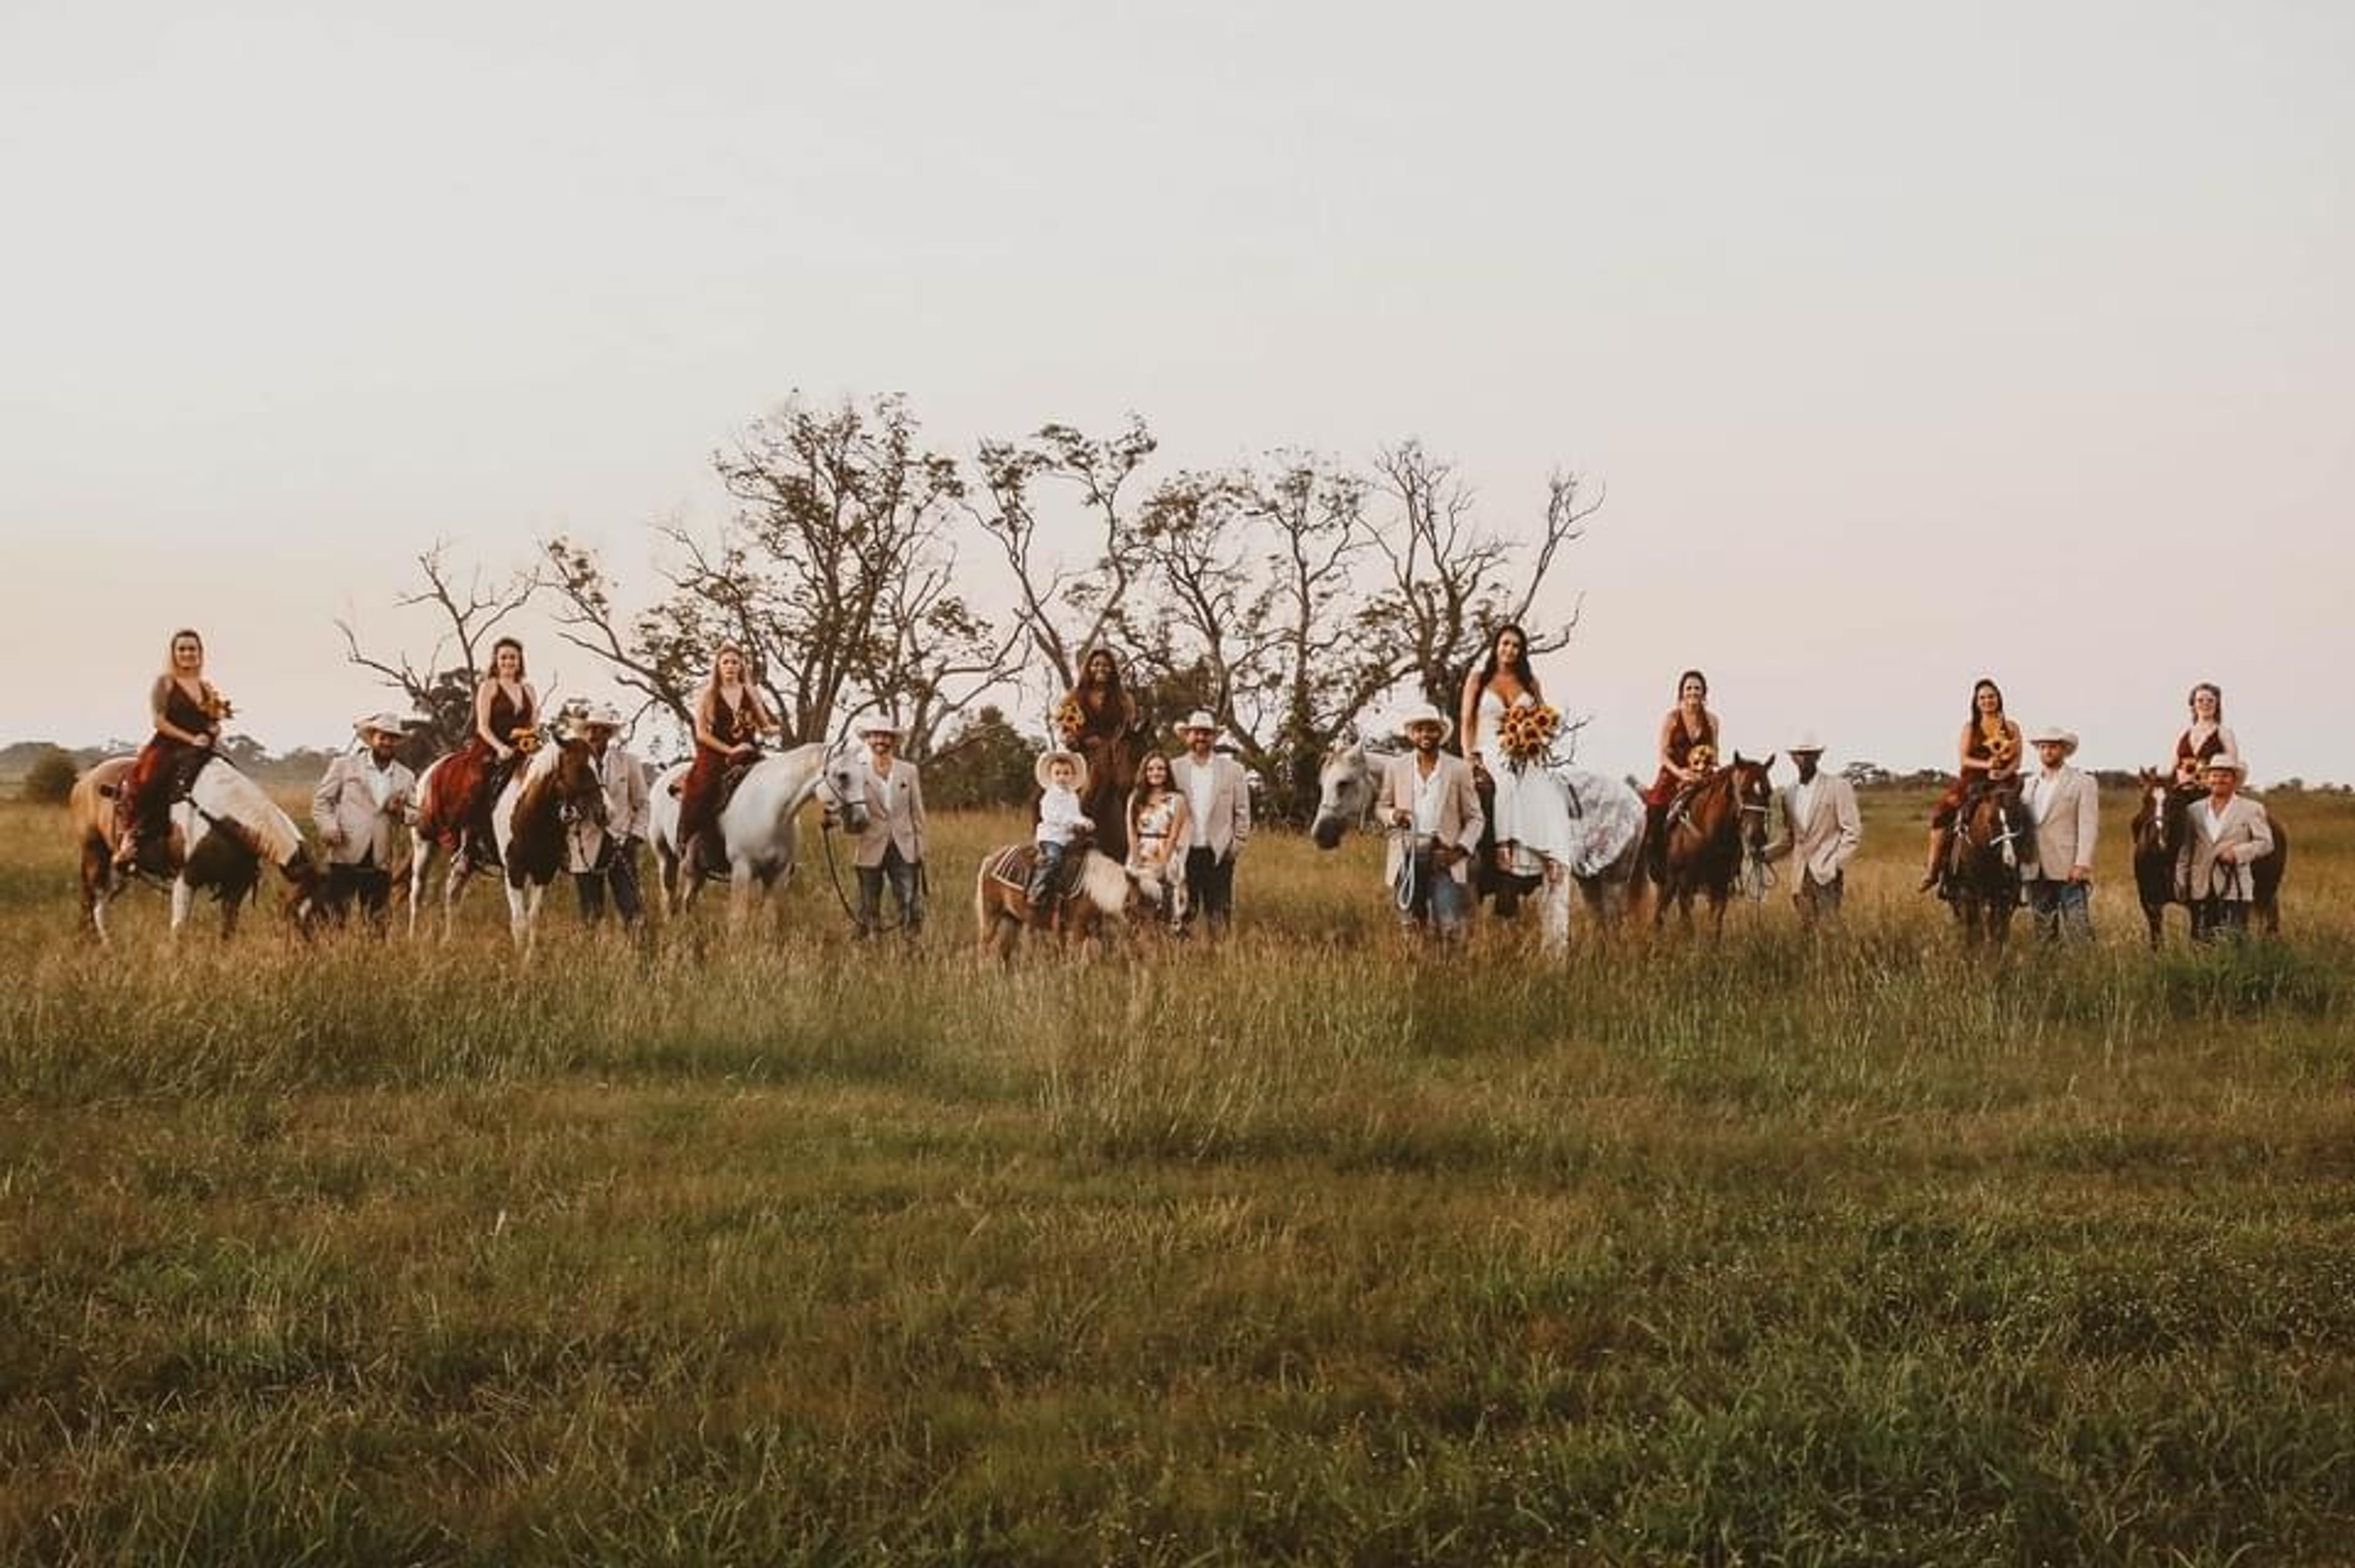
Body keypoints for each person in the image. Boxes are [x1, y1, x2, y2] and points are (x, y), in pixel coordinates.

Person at [113, 628, 230, 871]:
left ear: (200, 653)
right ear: (174, 653)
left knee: (229, 776)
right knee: (147, 782)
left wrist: (214, 728)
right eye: (182, 649)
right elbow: (159, 721)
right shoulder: (165, 683)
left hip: (200, 747)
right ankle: (130, 839)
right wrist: (190, 739)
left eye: (192, 649)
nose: (188, 653)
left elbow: (209, 721)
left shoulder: (207, 687)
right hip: (168, 745)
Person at [1460, 624, 1572, 879]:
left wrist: (1536, 735)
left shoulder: (1530, 682)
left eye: (1516, 646)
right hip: (1488, 746)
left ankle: (1547, 852)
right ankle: (1503, 845)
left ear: (1521, 652)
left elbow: (1544, 716)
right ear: (1496, 647)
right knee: (1507, 780)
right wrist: (1469, 756)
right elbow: (1467, 719)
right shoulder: (1479, 679)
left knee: (1543, 786)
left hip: (1522, 749)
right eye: (1505, 644)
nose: (1510, 650)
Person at [419, 636, 538, 871]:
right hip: (491, 748)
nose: (508, 662)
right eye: (504, 657)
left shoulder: (529, 689)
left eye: (513, 657)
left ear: (520, 660)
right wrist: (500, 747)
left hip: (522, 749)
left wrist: (530, 742)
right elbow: (482, 726)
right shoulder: (489, 686)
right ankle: (467, 846)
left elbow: (534, 723)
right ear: (496, 660)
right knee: (476, 785)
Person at [1381, 705, 1484, 943]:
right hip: (1407, 856)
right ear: (1412, 735)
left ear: (1440, 734)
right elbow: (1381, 806)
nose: (1425, 735)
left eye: (1431, 730)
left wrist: (1459, 851)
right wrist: (1392, 815)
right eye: (1419, 730)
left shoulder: (1459, 769)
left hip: (1443, 857)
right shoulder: (1396, 767)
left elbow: (1476, 818)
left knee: (1450, 927)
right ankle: (1416, 975)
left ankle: (1450, 975)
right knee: (1410, 926)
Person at [676, 644, 778, 874]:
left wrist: (773, 729)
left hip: (747, 751)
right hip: (715, 751)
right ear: (718, 666)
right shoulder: (708, 694)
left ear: (742, 666)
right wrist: (729, 751)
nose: (731, 666)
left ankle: (777, 852)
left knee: (774, 787)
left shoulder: (750, 692)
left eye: (735, 662)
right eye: (726, 662)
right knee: (702, 789)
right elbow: (702, 733)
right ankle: (688, 843)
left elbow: (763, 725)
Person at [310, 712, 416, 930]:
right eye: (383, 737)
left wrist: (400, 812)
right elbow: (321, 802)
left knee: (377, 925)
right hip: (344, 854)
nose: (388, 742)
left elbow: (418, 815)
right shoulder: (345, 765)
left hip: (380, 860)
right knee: (334, 921)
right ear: (372, 738)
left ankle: (373, 960)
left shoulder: (406, 776)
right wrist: (329, 827)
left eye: (393, 738)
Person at [1922, 677, 2023, 892]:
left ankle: (2029, 870)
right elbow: (1964, 759)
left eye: (1991, 697)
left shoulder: (2012, 726)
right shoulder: (1971, 727)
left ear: (1999, 699)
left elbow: (2017, 760)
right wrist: (1987, 764)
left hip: (2004, 780)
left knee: (2026, 814)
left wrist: (2002, 772)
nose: (1988, 701)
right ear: (1977, 702)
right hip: (1974, 779)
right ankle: (1933, 869)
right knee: (1941, 813)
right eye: (1983, 698)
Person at [1761, 732, 1862, 930]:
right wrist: (1764, 855)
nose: (1804, 758)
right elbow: (1790, 838)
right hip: (1800, 876)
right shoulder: (1789, 794)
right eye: (1799, 754)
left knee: (1830, 928)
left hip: (1827, 874)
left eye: (1809, 754)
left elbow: (1853, 832)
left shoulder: (1838, 787)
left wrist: (1835, 863)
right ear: (1792, 758)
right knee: (1807, 930)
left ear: (1818, 756)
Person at [567, 703, 650, 931]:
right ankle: (596, 961)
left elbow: (642, 803)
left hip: (621, 843)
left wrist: (636, 836)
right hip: (585, 844)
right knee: (591, 914)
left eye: (600, 730)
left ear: (609, 734)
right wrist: (573, 813)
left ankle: (641, 959)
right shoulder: (574, 764)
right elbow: (562, 805)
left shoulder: (628, 762)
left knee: (633, 910)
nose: (594, 735)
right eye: (589, 729)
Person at [1168, 710, 1250, 938]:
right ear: (1187, 736)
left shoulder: (1234, 771)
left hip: (1219, 852)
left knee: (1219, 914)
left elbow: (1242, 812)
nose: (1201, 738)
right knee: (1183, 912)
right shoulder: (1174, 769)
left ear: (1214, 737)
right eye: (1196, 733)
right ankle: (1182, 963)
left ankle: (1220, 962)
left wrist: (1236, 846)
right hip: (1185, 853)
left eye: (1206, 733)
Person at [1058, 646, 1144, 859]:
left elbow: (1127, 729)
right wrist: (1077, 740)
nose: (1101, 668)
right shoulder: (1075, 697)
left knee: (1130, 783)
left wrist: (1113, 744)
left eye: (1106, 665)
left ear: (1112, 669)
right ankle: (1063, 838)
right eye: (1096, 664)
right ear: (1089, 667)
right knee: (1054, 793)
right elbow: (1066, 731)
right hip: (1083, 754)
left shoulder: (1124, 699)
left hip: (1114, 754)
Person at [2178, 754, 2274, 943]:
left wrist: (2237, 853)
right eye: (2214, 775)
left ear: (2235, 780)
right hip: (2201, 887)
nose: (2218, 780)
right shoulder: (2193, 810)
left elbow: (2266, 843)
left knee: (2234, 942)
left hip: (2235, 888)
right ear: (2207, 779)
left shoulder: (2252, 809)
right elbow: (2186, 851)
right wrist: (2181, 880)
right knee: (2200, 943)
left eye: (2225, 776)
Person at [2018, 725, 2099, 943]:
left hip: (2068, 866)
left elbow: (2088, 825)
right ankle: (2049, 973)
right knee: (2043, 933)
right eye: (2043, 747)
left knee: (2078, 930)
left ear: (2064, 750)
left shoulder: (2083, 782)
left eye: (2053, 747)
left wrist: (2082, 863)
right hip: (2035, 867)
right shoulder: (2028, 784)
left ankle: (2086, 973)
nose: (2048, 751)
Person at [851, 716, 928, 938]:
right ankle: (869, 944)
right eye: (875, 735)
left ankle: (912, 946)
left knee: (909, 899)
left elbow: (918, 811)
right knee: (868, 901)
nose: (880, 740)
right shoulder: (859, 771)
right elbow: (851, 808)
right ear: (868, 740)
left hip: (904, 845)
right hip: (870, 844)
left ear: (893, 741)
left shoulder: (909, 771)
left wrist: (920, 846)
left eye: (885, 736)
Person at [1642, 670, 1721, 884]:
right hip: (1673, 773)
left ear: (1704, 692)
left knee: (1725, 807)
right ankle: (1656, 860)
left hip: (1703, 775)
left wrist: (1704, 771)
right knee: (1656, 806)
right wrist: (1681, 773)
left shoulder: (1712, 721)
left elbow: (1715, 753)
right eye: (1689, 688)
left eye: (1697, 688)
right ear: (1681, 693)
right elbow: (1663, 754)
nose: (1693, 692)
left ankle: (1725, 869)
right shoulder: (1672, 718)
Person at [1126, 750, 1192, 930]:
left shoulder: (1177, 799)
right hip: (1141, 850)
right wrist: (1136, 857)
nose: (1156, 773)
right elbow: (1131, 830)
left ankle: (1169, 937)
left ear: (1167, 772)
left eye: (1161, 769)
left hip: (1165, 851)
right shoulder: (1136, 798)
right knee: (1139, 900)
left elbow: (1174, 834)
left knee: (1167, 898)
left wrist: (1163, 861)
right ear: (1145, 772)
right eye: (1151, 769)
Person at [1027, 749, 1093, 923]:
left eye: (1066, 773)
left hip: (1067, 837)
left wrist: (1085, 821)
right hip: (1052, 836)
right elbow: (1053, 817)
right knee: (1054, 859)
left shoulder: (1072, 796)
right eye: (1058, 773)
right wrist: (1074, 822)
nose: (1062, 777)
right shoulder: (1050, 796)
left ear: (1072, 776)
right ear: (1051, 775)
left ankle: (1073, 893)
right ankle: (1037, 889)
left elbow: (1075, 814)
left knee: (1086, 855)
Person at [2171, 683, 2238, 790]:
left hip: (2211, 793)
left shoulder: (2225, 733)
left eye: (2210, 700)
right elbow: (2173, 766)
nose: (2205, 704)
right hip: (2182, 793)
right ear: (2193, 704)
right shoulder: (2184, 734)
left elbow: (2233, 766)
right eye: (2200, 700)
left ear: (2217, 704)